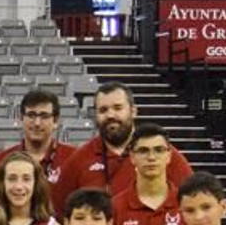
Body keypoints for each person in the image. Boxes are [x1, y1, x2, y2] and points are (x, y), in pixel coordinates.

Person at [57, 82, 194, 202]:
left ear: (133, 111)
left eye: (118, 108)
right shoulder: (79, 160)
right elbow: (60, 212)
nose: (110, 115)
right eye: (103, 110)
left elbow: (192, 201)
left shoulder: (163, 155)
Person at [0, 90, 76, 210]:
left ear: (56, 121)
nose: (37, 123)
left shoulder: (74, 158)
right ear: (21, 118)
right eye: (31, 115)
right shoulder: (1, 161)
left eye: (44, 116)